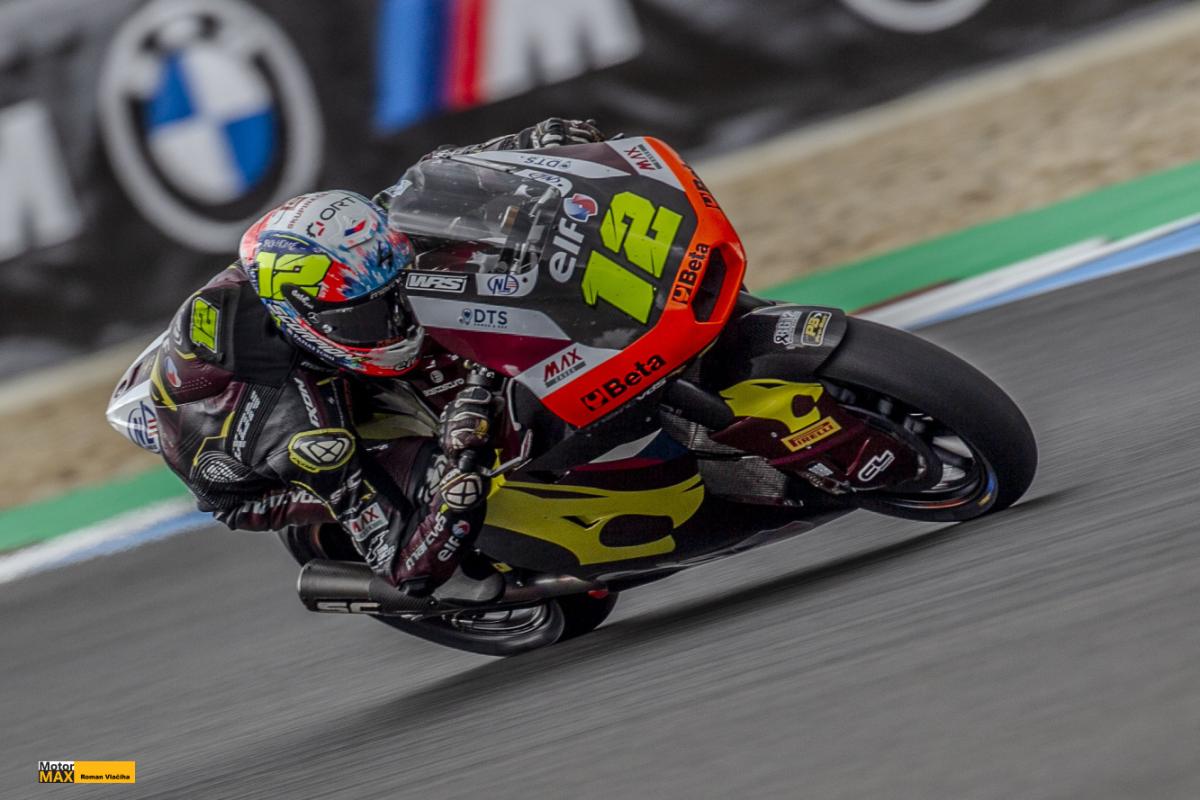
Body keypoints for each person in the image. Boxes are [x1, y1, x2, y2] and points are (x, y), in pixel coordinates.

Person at [147, 118, 607, 603]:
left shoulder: (353, 258)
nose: (398, 322)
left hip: (281, 342)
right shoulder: (301, 427)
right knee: (445, 462)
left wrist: (530, 142)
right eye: (369, 318)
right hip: (260, 472)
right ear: (307, 321)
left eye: (397, 297)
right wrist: (462, 470)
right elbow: (407, 565)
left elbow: (431, 179)